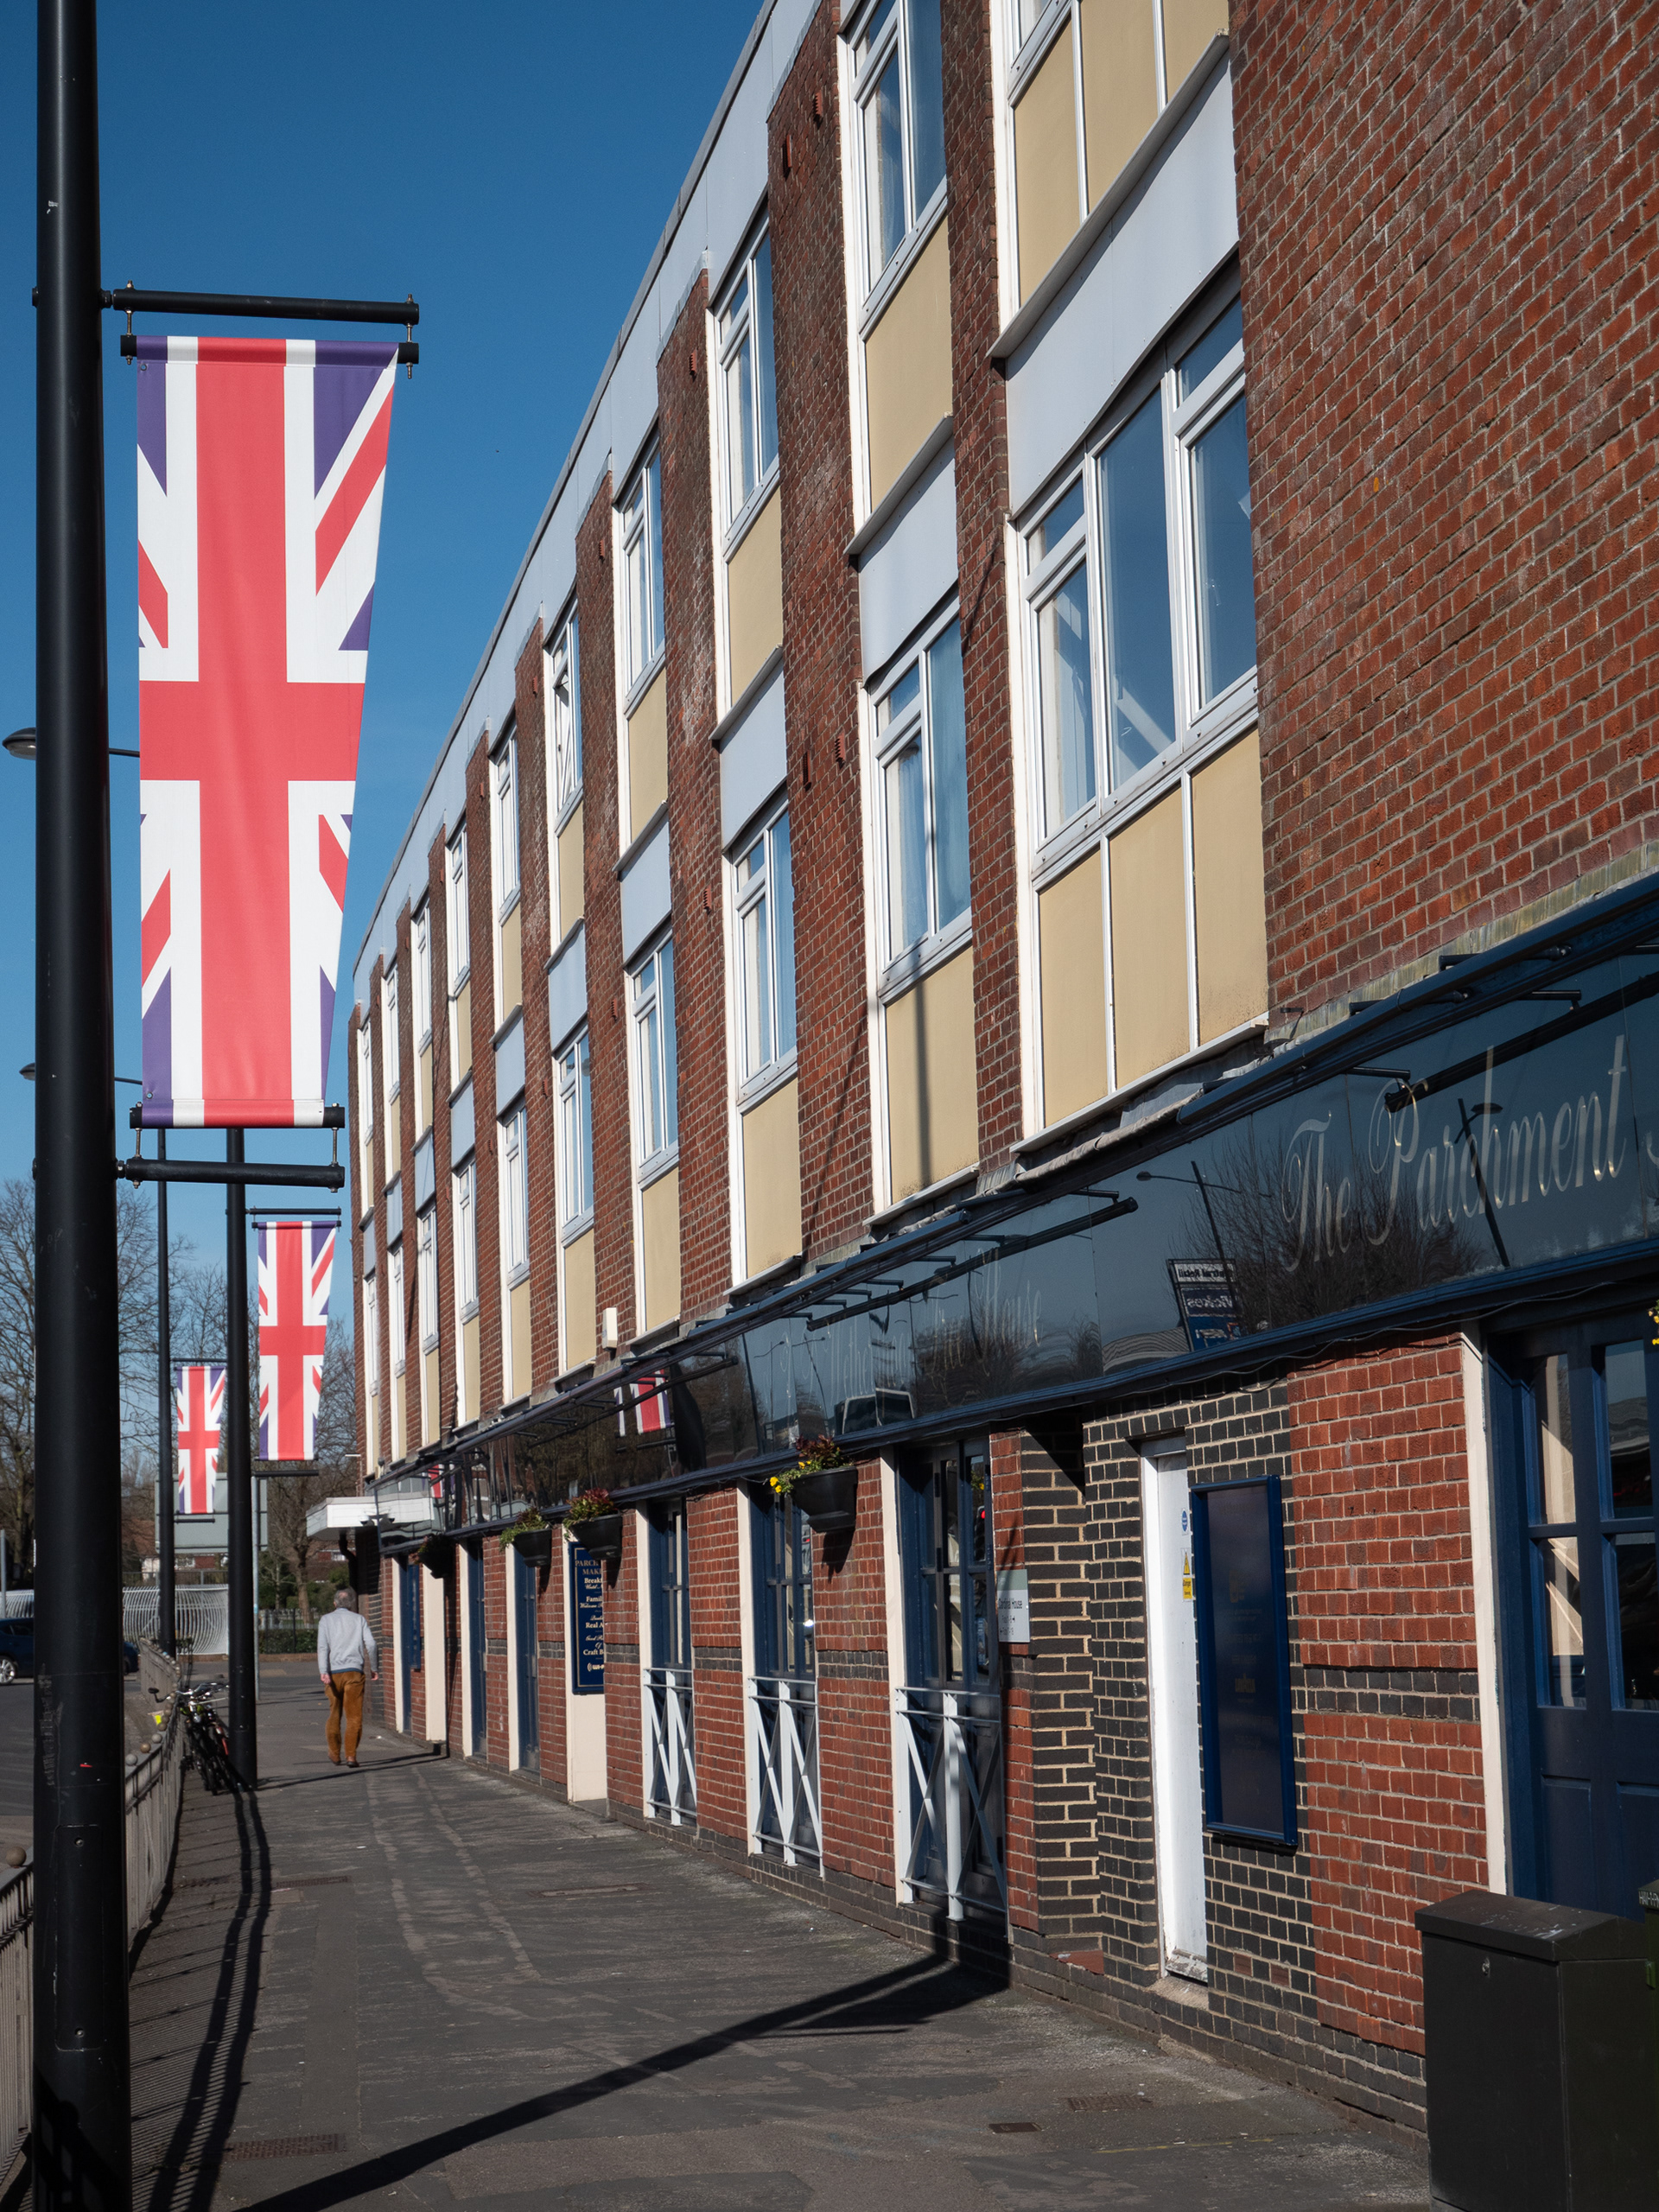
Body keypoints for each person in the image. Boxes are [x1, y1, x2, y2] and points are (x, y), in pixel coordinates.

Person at [317, 1586, 378, 1769]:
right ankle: (351, 1756)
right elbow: (372, 1644)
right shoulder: (359, 1619)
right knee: (354, 1717)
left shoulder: (326, 1620)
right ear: (351, 1604)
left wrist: (323, 1671)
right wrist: (374, 1667)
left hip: (333, 1673)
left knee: (334, 1714)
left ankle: (335, 1754)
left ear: (334, 1603)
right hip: (354, 1672)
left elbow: (323, 1648)